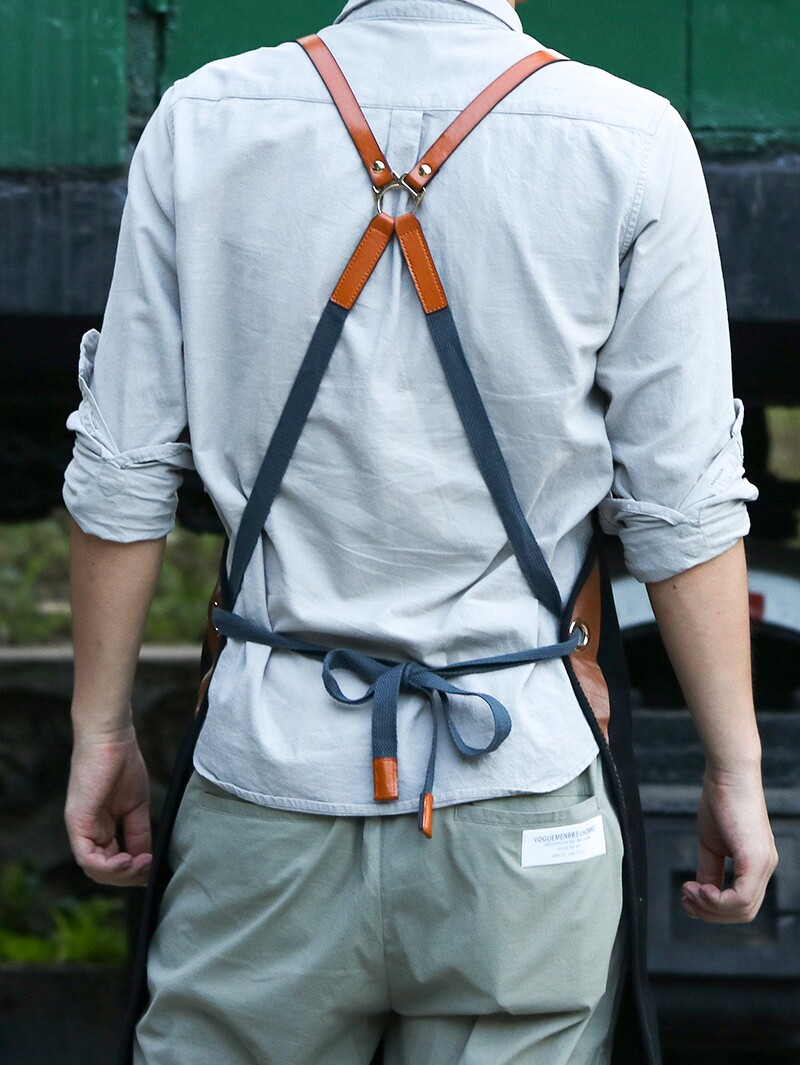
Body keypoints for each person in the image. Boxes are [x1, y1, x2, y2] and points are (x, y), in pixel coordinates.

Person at [61, 0, 778, 1063]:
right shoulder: (628, 138)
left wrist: (101, 733)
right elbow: (682, 509)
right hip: (520, 793)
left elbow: (121, 475)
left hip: (268, 779)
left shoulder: (204, 119)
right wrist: (734, 771)